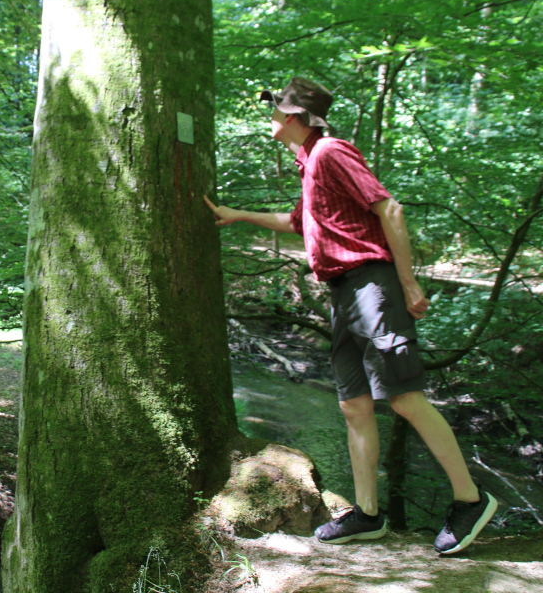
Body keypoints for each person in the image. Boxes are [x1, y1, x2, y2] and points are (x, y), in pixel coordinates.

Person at [204, 77, 498, 554]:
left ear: (296, 117)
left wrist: (407, 283)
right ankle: (367, 514)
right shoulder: (309, 162)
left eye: (276, 111)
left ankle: (471, 498)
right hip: (344, 291)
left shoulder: (331, 152)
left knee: (403, 397)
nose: (271, 119)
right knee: (354, 405)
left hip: (372, 285)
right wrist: (238, 214)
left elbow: (390, 210)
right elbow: (299, 223)